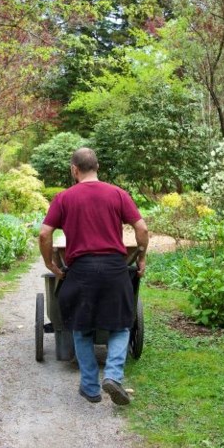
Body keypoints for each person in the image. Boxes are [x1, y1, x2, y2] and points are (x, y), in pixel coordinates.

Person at [39, 147, 149, 405]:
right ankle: (112, 375)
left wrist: (51, 264)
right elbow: (141, 229)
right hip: (114, 268)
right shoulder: (118, 194)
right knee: (121, 326)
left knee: (81, 327)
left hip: (81, 270)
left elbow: (45, 235)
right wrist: (142, 256)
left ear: (74, 170)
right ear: (97, 167)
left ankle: (90, 386)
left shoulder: (64, 198)